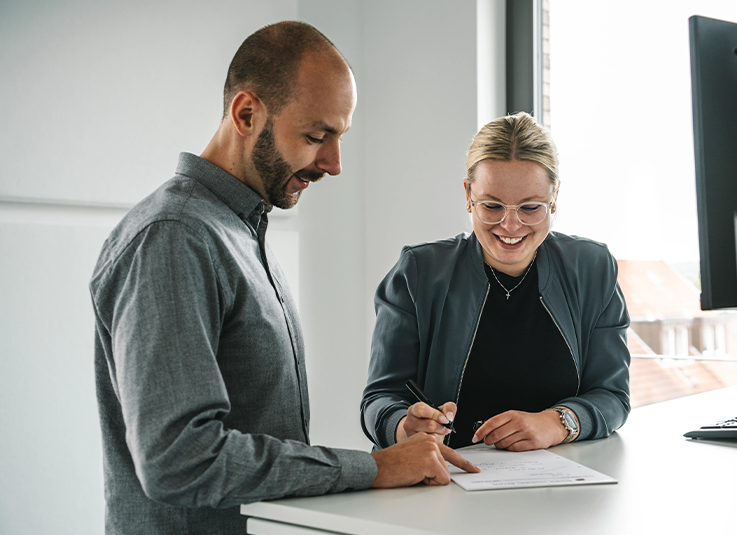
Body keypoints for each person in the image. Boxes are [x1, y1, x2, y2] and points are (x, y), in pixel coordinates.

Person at [90, 21, 477, 535]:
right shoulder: (174, 238)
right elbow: (178, 460)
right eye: (317, 136)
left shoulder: (235, 230)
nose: (335, 164)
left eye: (339, 137)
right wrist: (373, 468)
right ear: (247, 114)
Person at [361, 112, 631, 452]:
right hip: (440, 483)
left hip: (559, 485)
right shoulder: (418, 272)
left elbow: (613, 395)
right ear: (468, 195)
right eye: (492, 206)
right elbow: (379, 398)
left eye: (531, 207)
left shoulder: (593, 268)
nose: (511, 225)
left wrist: (557, 422)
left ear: (555, 197)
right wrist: (402, 427)